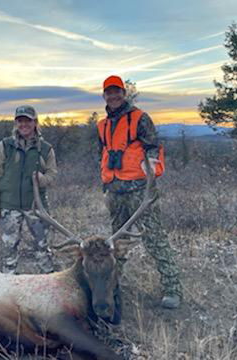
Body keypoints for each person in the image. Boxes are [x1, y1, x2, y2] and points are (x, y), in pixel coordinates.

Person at [97, 75, 182, 309]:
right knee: (116, 242)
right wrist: (105, 185)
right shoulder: (102, 125)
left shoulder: (140, 119)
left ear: (124, 93)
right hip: (115, 192)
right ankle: (113, 286)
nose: (113, 96)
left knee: (154, 239)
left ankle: (172, 288)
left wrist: (149, 185)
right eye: (109, 92)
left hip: (138, 192)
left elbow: (153, 149)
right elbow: (102, 154)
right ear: (104, 95)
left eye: (117, 92)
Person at [0, 105, 57, 274]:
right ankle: (8, 286)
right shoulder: (5, 146)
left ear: (35, 123)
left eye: (28, 121)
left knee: (43, 247)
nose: (24, 124)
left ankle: (48, 283)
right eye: (20, 121)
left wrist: (43, 179)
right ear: (16, 123)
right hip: (9, 206)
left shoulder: (45, 149)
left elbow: (52, 175)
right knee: (9, 249)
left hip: (36, 207)